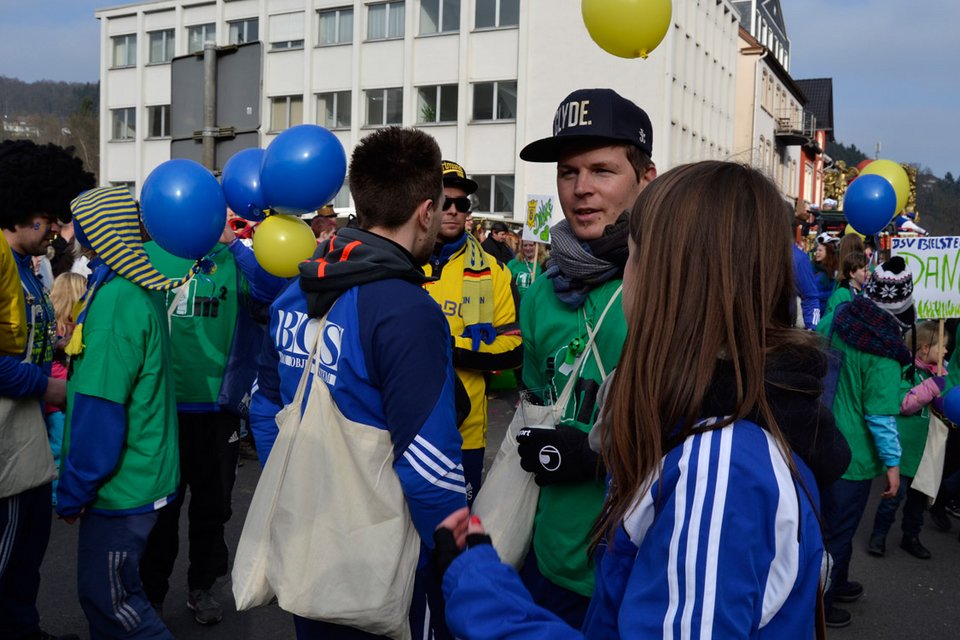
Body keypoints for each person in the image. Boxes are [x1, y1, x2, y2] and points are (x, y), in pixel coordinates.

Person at [434, 161, 830, 639]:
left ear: (669, 281)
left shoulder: (720, 463)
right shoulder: (703, 426)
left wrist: (483, 590)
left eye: (633, 258)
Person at [249, 127, 468, 639]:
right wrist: (467, 551)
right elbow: (429, 468)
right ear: (425, 210)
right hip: (386, 568)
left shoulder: (293, 292)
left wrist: (305, 494)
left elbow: (264, 408)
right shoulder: (407, 310)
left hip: (309, 553)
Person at [507, 88, 657, 627]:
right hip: (548, 558)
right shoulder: (543, 289)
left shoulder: (668, 284)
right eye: (568, 173)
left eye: (602, 170)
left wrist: (597, 453)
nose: (581, 190)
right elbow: (534, 402)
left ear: (647, 179)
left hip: (636, 570)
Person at [56, 185, 198, 639]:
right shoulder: (132, 285)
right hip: (143, 475)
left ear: (96, 233)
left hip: (123, 486)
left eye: (79, 224)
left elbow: (101, 409)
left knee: (113, 602)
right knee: (114, 599)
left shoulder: (118, 301)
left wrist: (75, 488)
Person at [139, 220, 285, 624]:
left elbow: (273, 292)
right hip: (162, 407)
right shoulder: (150, 255)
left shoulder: (232, 258)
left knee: (214, 506)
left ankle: (201, 586)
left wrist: (236, 244)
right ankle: (151, 593)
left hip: (217, 411)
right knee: (162, 509)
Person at [1, 139, 93, 640]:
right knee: (9, 554)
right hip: (8, 442)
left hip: (26, 436)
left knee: (26, 558)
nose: (55, 231)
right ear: (24, 211)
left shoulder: (27, 266)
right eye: (50, 219)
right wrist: (48, 389)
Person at [819, 256, 915, 628]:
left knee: (825, 524)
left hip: (819, 438)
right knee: (839, 533)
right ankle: (821, 603)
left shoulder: (838, 318)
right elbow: (880, 415)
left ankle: (836, 582)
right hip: (853, 458)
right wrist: (893, 466)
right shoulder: (885, 352)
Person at [423, 160, 522, 504]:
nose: (452, 211)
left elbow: (512, 346)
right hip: (405, 425)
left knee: (456, 534)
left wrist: (449, 347)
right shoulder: (400, 261)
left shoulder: (493, 270)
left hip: (465, 433)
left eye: (461, 204)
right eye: (443, 202)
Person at [868, 320, 947, 560]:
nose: (945, 351)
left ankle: (911, 537)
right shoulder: (907, 371)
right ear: (924, 348)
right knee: (894, 497)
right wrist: (932, 387)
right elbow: (904, 405)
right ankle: (878, 535)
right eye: (942, 346)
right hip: (904, 450)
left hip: (926, 452)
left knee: (918, 501)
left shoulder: (944, 373)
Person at [46, 272, 88, 506]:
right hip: (58, 399)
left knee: (64, 446)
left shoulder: (60, 327)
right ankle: (56, 496)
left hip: (61, 397)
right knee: (59, 447)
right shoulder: (59, 332)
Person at [824, 251, 868, 316]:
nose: (869, 273)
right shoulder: (840, 295)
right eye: (865, 271)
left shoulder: (867, 291)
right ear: (852, 274)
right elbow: (831, 321)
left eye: (869, 270)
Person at [812, 232, 839, 315]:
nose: (817, 253)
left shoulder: (834, 271)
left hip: (825, 311)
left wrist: (816, 295)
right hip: (812, 310)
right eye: (817, 250)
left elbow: (834, 292)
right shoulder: (811, 267)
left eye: (820, 250)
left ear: (828, 252)